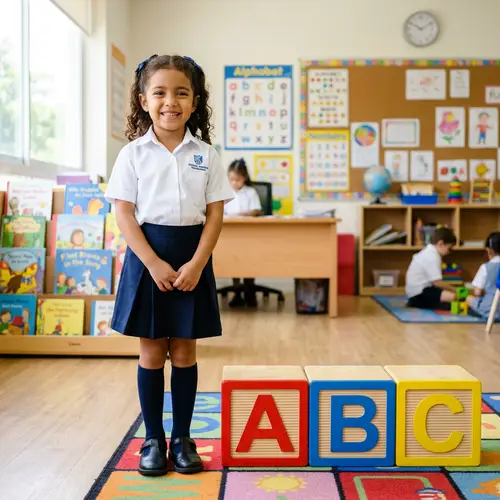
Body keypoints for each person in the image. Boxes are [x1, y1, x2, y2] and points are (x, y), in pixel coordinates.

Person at [104, 54, 234, 477]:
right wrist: (153, 263)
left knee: (184, 349)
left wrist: (197, 263)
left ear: (195, 102)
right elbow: (125, 214)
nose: (170, 102)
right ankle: (152, 440)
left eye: (181, 93)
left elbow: (214, 215)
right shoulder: (132, 154)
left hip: (192, 257)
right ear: (143, 100)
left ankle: (182, 439)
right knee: (152, 350)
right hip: (148, 258)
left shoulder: (208, 154)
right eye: (159, 92)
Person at [224, 158, 262, 307]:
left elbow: (256, 211)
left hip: (249, 233)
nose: (234, 183)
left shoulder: (250, 192)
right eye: (231, 179)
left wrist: (241, 215)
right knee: (234, 259)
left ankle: (249, 289)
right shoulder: (225, 192)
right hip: (231, 234)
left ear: (244, 178)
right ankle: (237, 291)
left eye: (237, 180)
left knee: (249, 259)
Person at [405, 227, 457, 310]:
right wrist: (455, 289)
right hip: (420, 294)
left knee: (447, 295)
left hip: (415, 293)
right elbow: (437, 282)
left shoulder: (428, 251)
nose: (449, 252)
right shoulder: (433, 256)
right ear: (441, 243)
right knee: (453, 296)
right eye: (449, 248)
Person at [466, 232, 500, 320]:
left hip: (490, 310)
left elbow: (477, 292)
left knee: (469, 298)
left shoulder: (485, 267)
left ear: (489, 251)